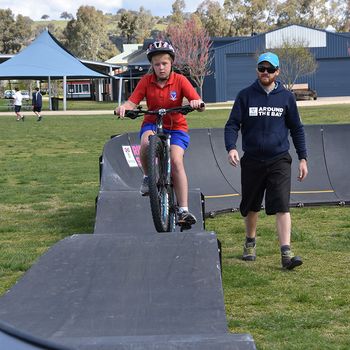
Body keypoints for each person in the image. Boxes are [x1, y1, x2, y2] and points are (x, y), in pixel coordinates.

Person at [224, 52, 308, 270]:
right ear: (257, 70)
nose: (265, 72)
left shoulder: (286, 97)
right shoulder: (245, 96)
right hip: (252, 159)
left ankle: (286, 254)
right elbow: (232, 124)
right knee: (251, 206)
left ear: (277, 72)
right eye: (262, 68)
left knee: (282, 205)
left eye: (270, 69)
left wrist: (303, 158)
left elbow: (297, 128)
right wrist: (231, 147)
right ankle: (250, 243)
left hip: (279, 159)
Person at [115, 40, 205, 226]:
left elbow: (197, 101)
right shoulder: (146, 81)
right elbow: (132, 102)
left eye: (164, 63)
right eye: (157, 64)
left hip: (177, 127)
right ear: (152, 66)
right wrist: (123, 107)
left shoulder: (180, 80)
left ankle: (183, 210)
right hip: (152, 123)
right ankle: (149, 178)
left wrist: (196, 103)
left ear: (171, 63)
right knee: (146, 144)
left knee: (176, 160)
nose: (161, 67)